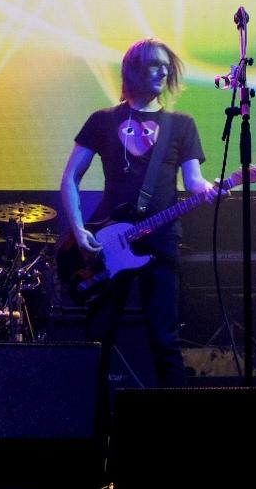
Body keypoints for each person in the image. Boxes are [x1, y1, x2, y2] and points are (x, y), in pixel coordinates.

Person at [57, 39, 215, 404]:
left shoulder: (181, 125)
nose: (162, 71)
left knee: (165, 337)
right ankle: (93, 431)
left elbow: (193, 182)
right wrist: (79, 230)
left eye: (165, 66)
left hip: (160, 242)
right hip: (106, 243)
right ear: (133, 70)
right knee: (98, 337)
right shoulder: (103, 120)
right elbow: (69, 178)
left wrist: (208, 188)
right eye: (153, 65)